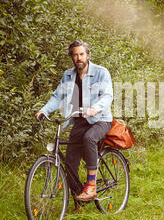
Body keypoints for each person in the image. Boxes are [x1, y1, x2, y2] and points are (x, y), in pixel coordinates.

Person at [35, 40, 113, 207]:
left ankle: (91, 187)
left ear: (88, 55)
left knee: (89, 138)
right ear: (71, 57)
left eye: (82, 54)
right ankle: (80, 196)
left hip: (100, 119)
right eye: (75, 55)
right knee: (70, 161)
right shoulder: (68, 76)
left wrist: (94, 108)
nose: (79, 58)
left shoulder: (101, 72)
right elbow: (57, 97)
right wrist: (44, 111)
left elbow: (107, 96)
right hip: (79, 120)